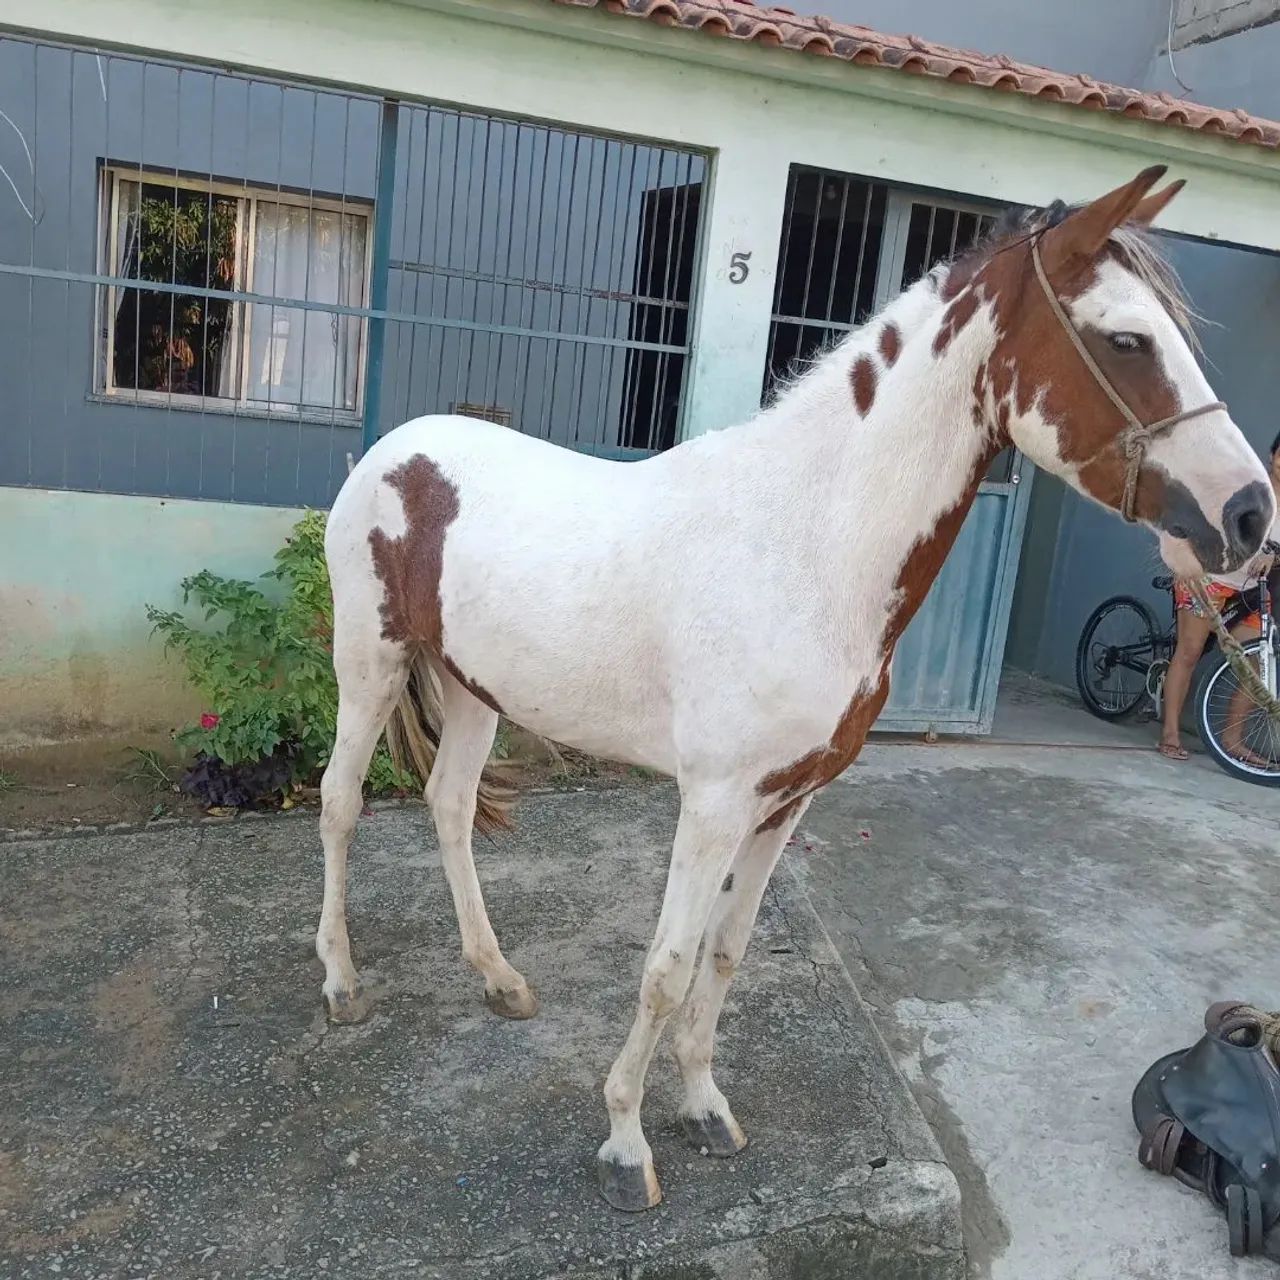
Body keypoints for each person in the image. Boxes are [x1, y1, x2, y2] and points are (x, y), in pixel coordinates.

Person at [1159, 429, 1280, 762]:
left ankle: (1232, 739)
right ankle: (1169, 733)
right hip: (1210, 578)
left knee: (1253, 663)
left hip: (1249, 593)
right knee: (1190, 651)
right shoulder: (1250, 491)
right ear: (1272, 455)